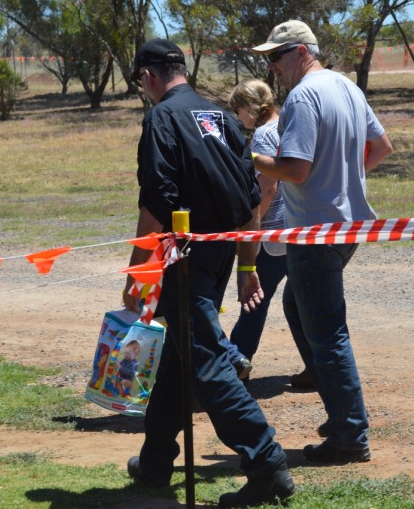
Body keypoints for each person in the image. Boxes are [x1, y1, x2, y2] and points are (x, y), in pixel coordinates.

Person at [122, 38, 294, 508]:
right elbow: (252, 198)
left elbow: (156, 201)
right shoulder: (221, 117)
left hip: (185, 257)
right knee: (181, 356)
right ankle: (156, 461)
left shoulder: (161, 118)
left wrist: (138, 274)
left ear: (149, 77)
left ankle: (266, 463)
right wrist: (247, 263)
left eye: (142, 82)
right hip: (220, 254)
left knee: (208, 362)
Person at [251, 20, 393, 464]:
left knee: (326, 330)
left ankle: (349, 434)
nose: (272, 66)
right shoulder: (347, 87)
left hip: (316, 229)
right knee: (299, 306)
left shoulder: (303, 96)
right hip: (347, 226)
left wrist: (249, 158)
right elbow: (382, 147)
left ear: (300, 52)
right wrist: (344, 177)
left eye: (276, 56)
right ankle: (340, 412)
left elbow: (295, 170)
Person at [225, 79, 291, 383]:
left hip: (270, 233)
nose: (238, 118)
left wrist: (252, 227)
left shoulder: (264, 134)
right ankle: (318, 368)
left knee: (253, 300)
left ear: (248, 106)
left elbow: (267, 187)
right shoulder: (287, 125)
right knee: (300, 304)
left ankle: (235, 367)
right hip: (294, 229)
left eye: (237, 110)